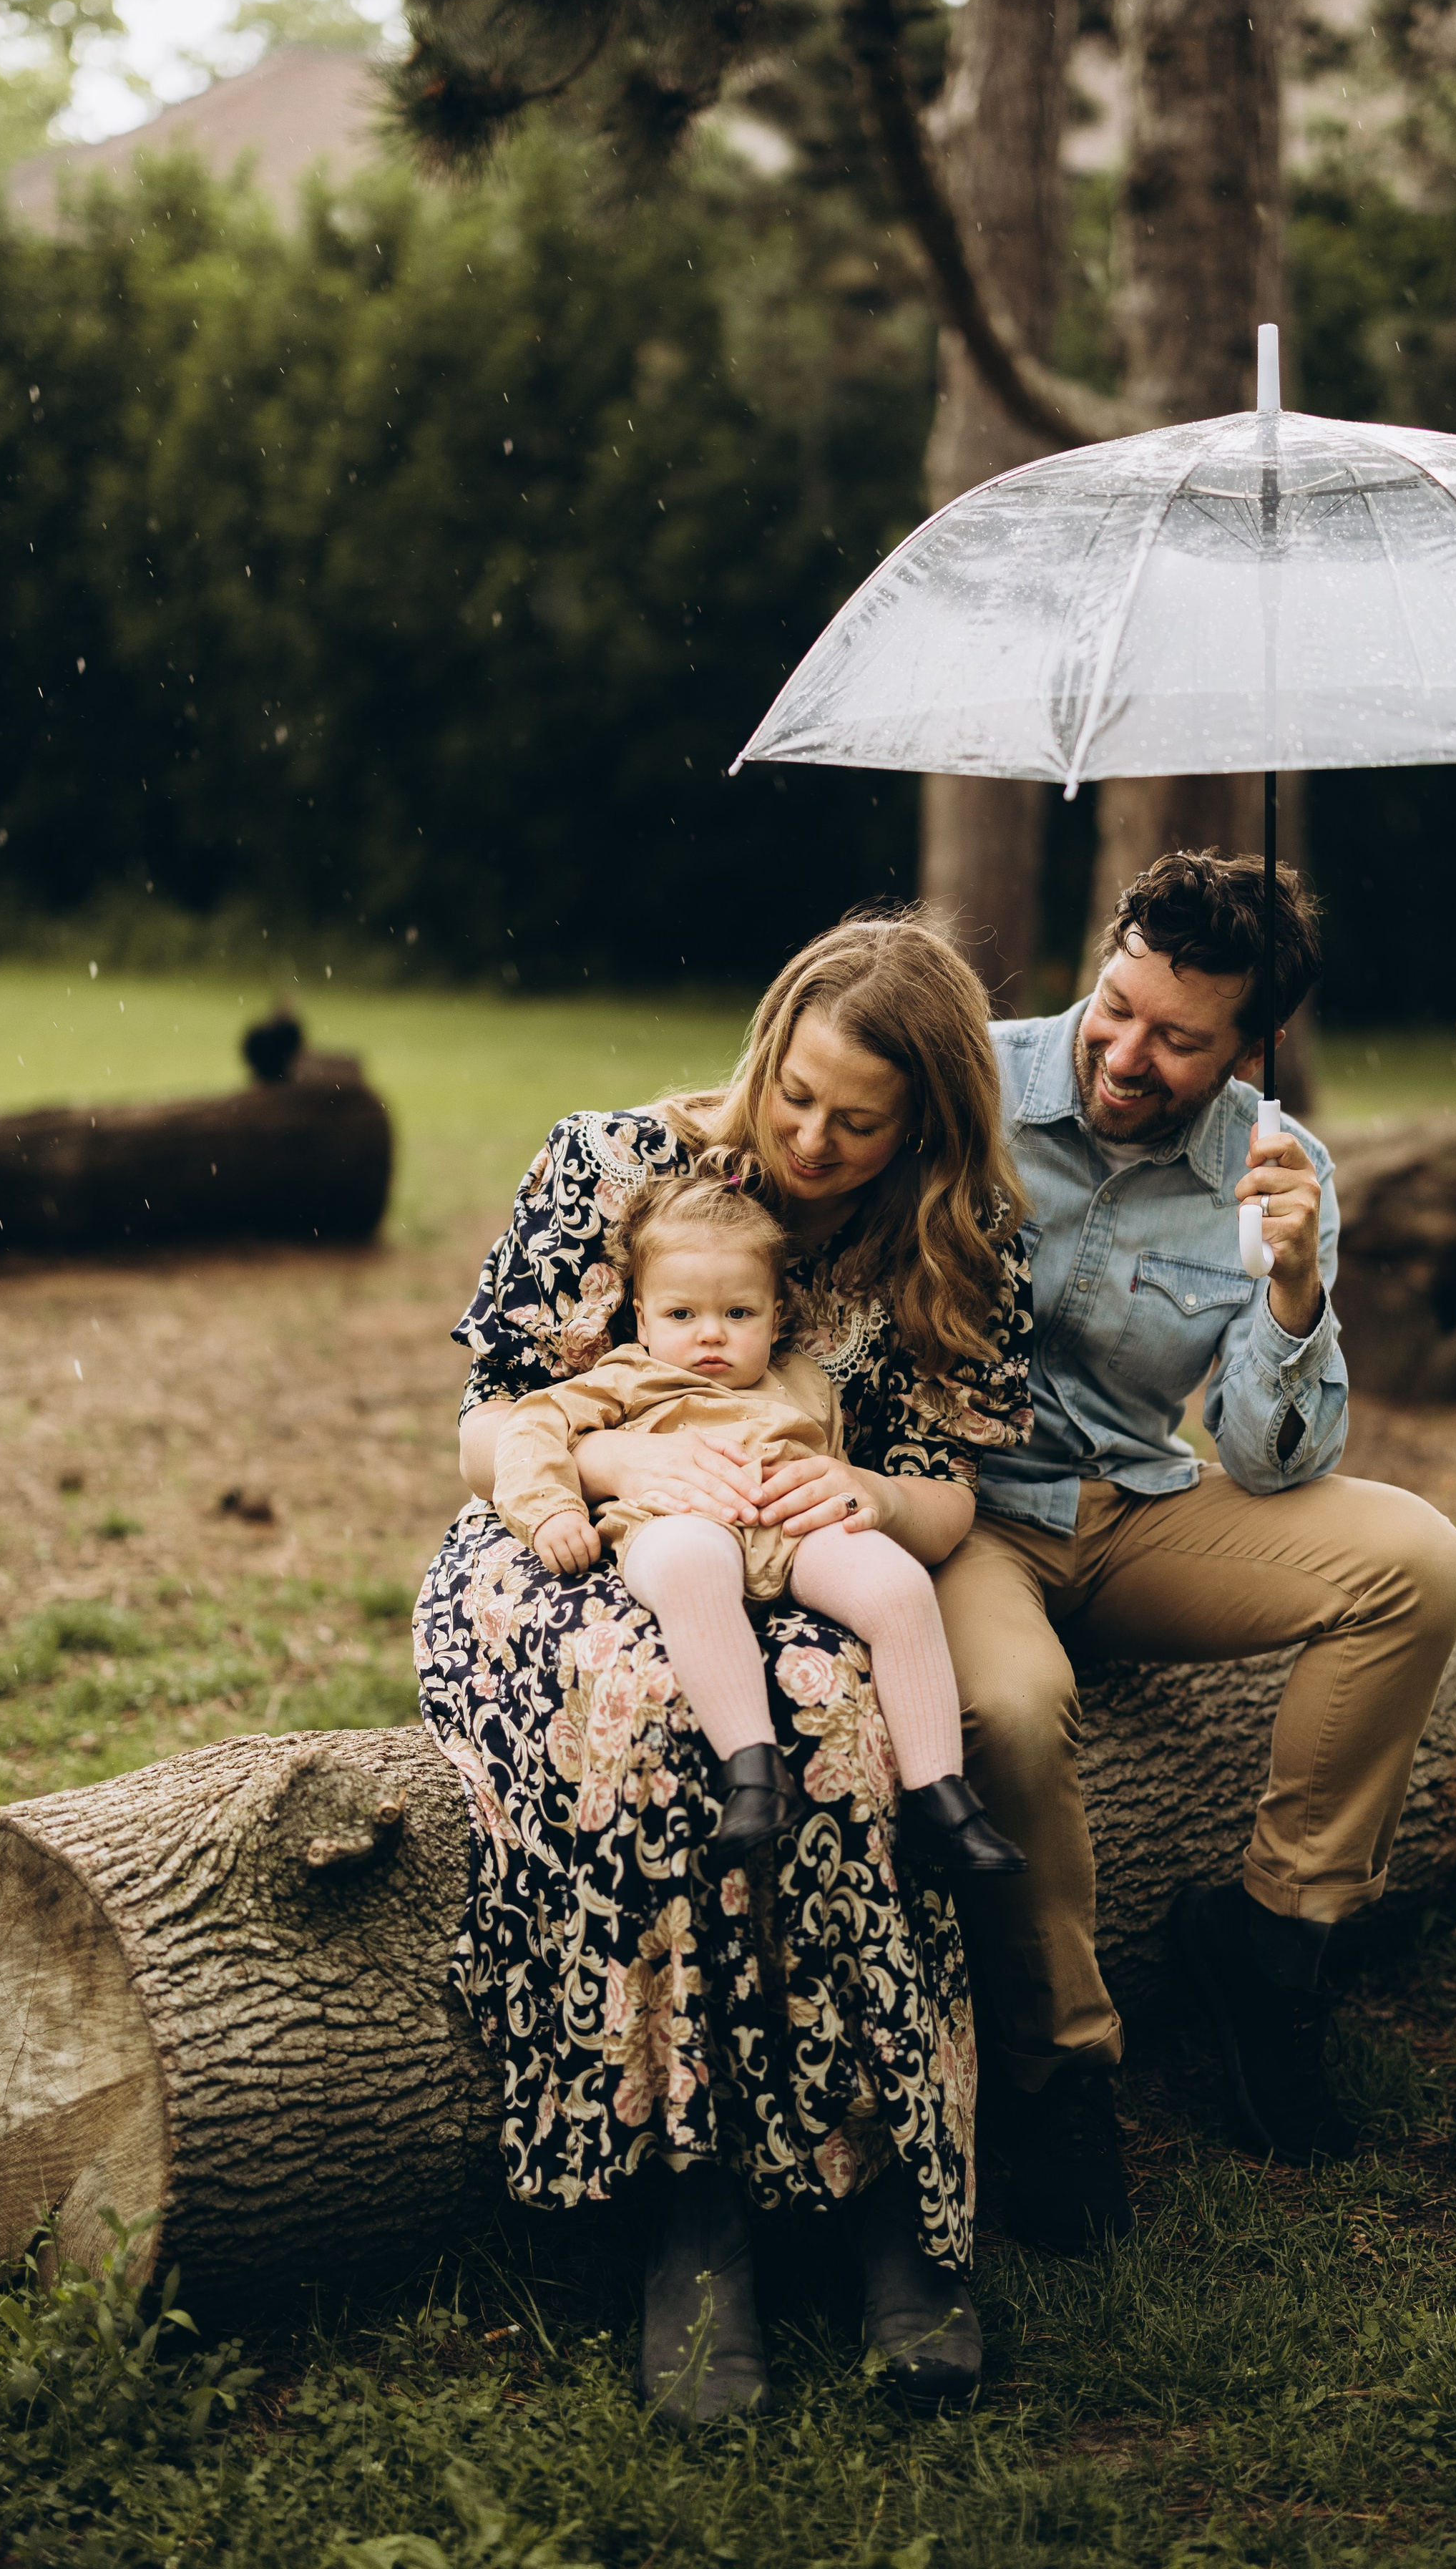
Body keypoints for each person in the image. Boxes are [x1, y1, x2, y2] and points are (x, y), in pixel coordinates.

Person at [414, 917, 1032, 2424]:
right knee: (648, 1718)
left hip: (802, 1546)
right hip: (564, 1545)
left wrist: (877, 1501)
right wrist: (625, 1454)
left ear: (925, 1126)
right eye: (795, 1093)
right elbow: (490, 1428)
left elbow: (956, 1487)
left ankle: (892, 2194)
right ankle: (687, 2209)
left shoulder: (952, 1234)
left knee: (841, 1716)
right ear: (766, 1050)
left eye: (859, 1120)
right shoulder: (611, 1160)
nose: (812, 1138)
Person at [934, 849, 1456, 2255]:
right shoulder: (964, 1079)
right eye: (1113, 1005)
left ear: (1250, 1044)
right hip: (960, 1516)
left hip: (1134, 1513)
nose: (1122, 1052)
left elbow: (1268, 1464)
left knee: (1411, 1559)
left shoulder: (1277, 1170)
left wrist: (1291, 1287)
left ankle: (1275, 1938)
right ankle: (1060, 2072)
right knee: (1006, 1707)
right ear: (1103, 958)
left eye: (1177, 1038)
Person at [492, 1174, 1027, 1876]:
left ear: (776, 1318)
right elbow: (530, 1428)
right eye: (681, 1315)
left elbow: (831, 1468)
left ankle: (940, 1799)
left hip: (790, 1525)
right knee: (692, 1561)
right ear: (643, 1322)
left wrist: (850, 1500)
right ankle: (752, 1774)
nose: (710, 1333)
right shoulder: (625, 1377)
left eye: (737, 1313)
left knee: (895, 1585)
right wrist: (553, 1510)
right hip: (674, 1522)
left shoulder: (804, 1381)